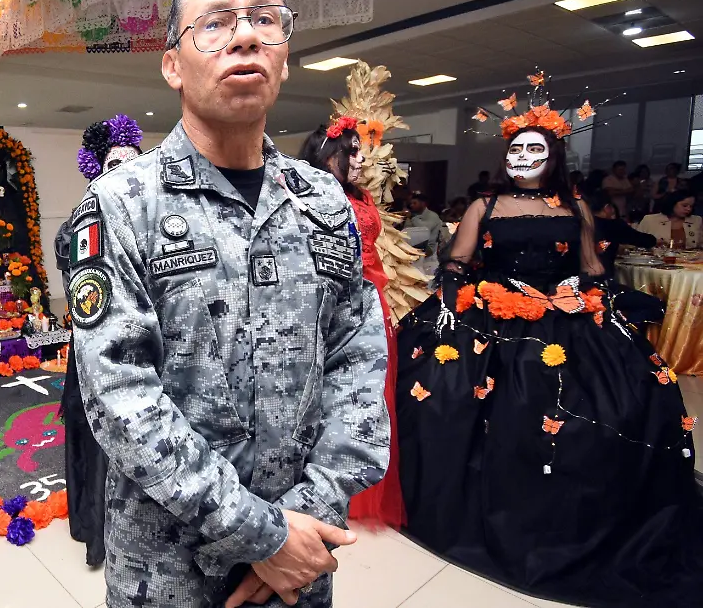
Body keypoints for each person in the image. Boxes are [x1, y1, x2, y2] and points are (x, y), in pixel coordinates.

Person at [69, 0, 389, 608]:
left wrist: (307, 519)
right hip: (169, 570)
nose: (245, 36)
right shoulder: (120, 205)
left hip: (303, 561)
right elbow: (120, 398)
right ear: (172, 65)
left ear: (285, 57)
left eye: (265, 19)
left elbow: (358, 363)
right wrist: (263, 535)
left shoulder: (323, 202)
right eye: (215, 23)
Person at [395, 119, 702, 606]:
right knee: (456, 398)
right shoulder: (485, 205)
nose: (523, 157)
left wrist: (597, 298)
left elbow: (591, 266)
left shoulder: (574, 205)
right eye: (516, 149)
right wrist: (452, 299)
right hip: (496, 313)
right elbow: (457, 262)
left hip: (565, 314)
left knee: (617, 403)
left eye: (533, 149)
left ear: (553, 156)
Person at [300, 119, 405, 531]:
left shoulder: (362, 195)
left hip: (370, 294)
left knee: (369, 385)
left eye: (361, 151)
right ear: (328, 156)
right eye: (352, 152)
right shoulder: (303, 193)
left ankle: (360, 475)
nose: (361, 161)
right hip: (328, 298)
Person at [55, 113, 145, 568]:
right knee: (100, 435)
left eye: (133, 162)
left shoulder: (152, 218)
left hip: (149, 354)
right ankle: (99, 529)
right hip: (100, 352)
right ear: (96, 171)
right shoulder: (81, 225)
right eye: (114, 163)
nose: (125, 171)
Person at [587, 191, 664, 326]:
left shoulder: (579, 225)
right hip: (603, 288)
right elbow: (643, 240)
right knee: (657, 306)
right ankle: (623, 329)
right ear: (607, 208)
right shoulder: (613, 225)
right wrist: (656, 240)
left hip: (578, 287)